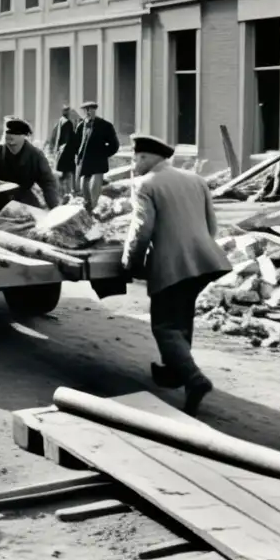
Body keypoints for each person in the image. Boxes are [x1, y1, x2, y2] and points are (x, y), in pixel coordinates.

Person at [121, 134, 230, 416]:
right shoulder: (195, 179)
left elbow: (142, 229)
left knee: (164, 326)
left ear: (146, 157)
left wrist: (131, 263)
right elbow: (211, 226)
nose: (134, 164)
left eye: (136, 158)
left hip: (172, 264)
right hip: (205, 261)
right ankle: (173, 372)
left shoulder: (145, 184)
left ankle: (195, 380)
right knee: (181, 317)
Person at [74, 102, 120, 212]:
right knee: (84, 182)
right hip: (85, 159)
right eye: (85, 110)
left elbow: (114, 145)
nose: (88, 113)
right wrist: (78, 155)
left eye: (90, 110)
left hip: (98, 159)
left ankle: (94, 207)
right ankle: (87, 205)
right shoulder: (81, 126)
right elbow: (76, 143)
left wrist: (104, 153)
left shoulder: (105, 125)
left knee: (95, 182)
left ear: (95, 110)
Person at [48, 105, 80, 197]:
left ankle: (63, 194)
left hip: (60, 153)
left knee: (63, 175)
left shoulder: (59, 122)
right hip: (67, 154)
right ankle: (69, 194)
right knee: (68, 175)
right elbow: (68, 139)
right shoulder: (68, 124)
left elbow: (54, 138)